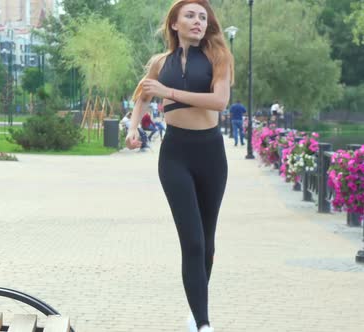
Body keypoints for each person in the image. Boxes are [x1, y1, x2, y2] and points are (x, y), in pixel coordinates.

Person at [125, 1, 233, 331]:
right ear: (174, 23)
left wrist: (168, 92)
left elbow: (220, 101)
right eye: (190, 15)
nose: (198, 21)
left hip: (211, 154)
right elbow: (143, 93)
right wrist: (133, 127)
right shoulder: (161, 62)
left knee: (208, 243)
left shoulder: (218, 58)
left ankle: (195, 308)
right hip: (175, 156)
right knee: (193, 242)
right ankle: (203, 323)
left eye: (203, 16)